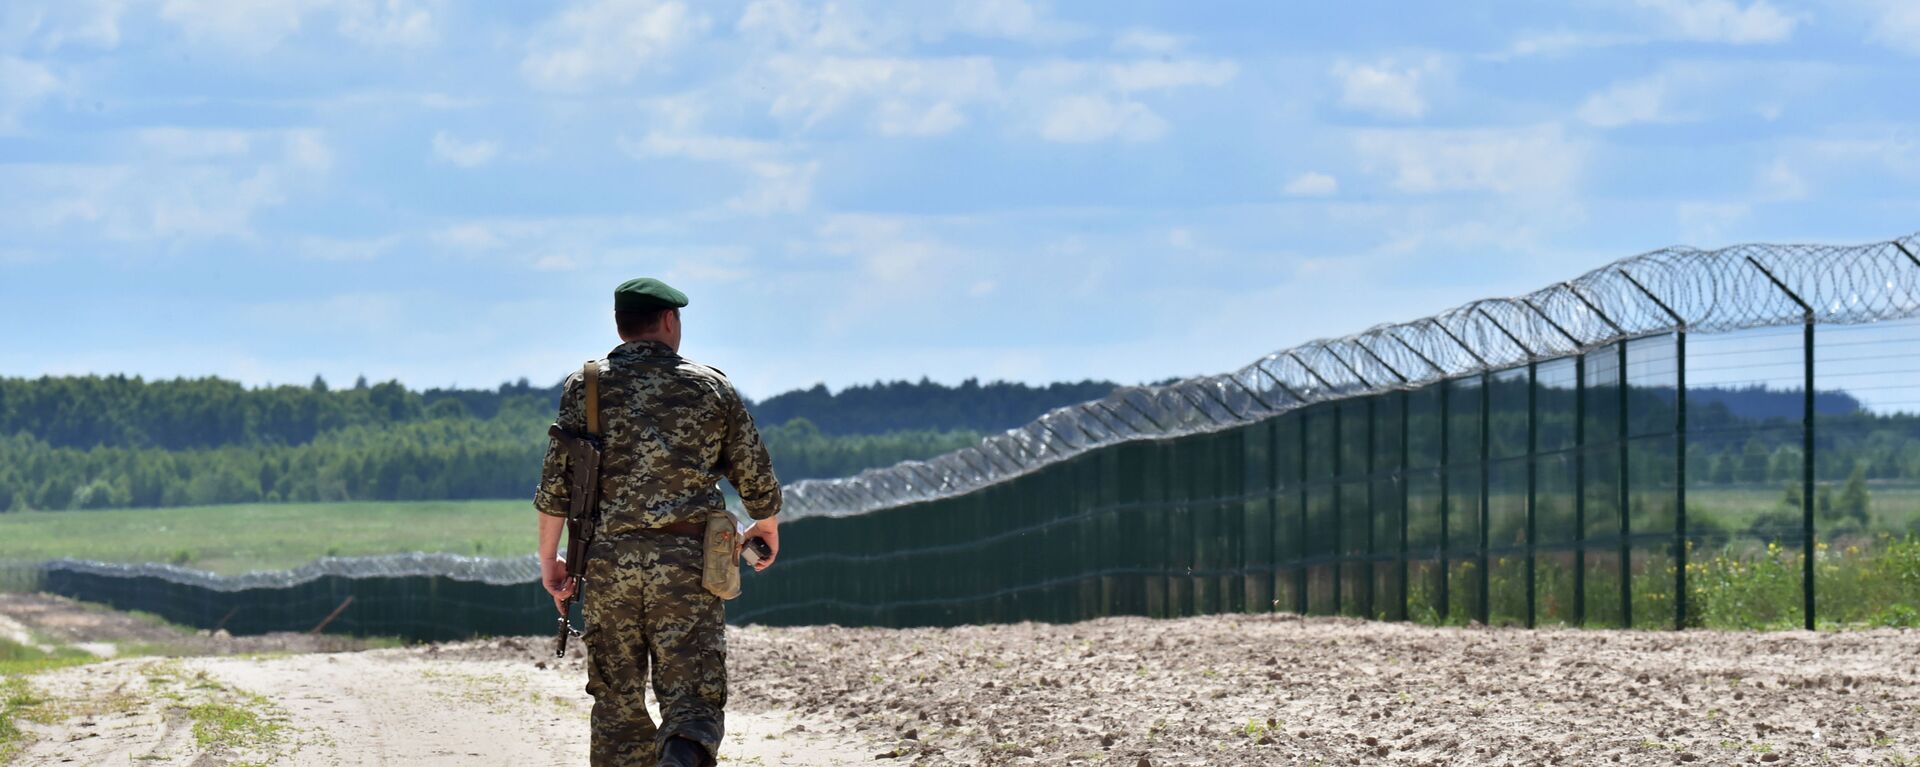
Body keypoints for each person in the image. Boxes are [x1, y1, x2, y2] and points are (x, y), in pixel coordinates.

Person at [534, 277, 782, 767]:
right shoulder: (710, 388)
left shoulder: (584, 388)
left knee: (617, 703)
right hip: (689, 568)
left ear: (619, 325)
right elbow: (755, 477)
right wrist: (766, 529)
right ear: (670, 321)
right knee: (693, 696)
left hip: (607, 566)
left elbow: (554, 488)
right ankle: (679, 758)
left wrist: (550, 562)